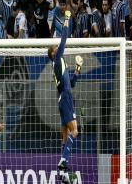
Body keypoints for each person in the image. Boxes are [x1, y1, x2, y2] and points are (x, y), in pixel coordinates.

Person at [47, 10, 82, 184]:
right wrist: (67, 18)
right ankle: (63, 162)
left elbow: (72, 83)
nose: (58, 47)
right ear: (53, 53)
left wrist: (77, 69)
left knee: (64, 136)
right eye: (56, 48)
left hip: (63, 98)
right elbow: (65, 36)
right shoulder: (57, 58)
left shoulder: (60, 65)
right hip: (66, 98)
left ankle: (64, 173)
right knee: (75, 131)